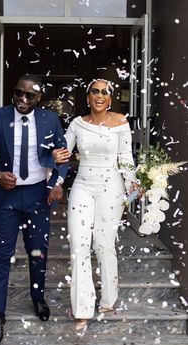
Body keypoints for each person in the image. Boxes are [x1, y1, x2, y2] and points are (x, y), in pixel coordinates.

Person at [0, 74, 68, 345]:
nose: (22, 100)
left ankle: (38, 298)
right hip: (6, 199)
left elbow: (62, 155)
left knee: (38, 253)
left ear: (40, 98)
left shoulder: (50, 119)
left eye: (29, 96)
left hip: (38, 197)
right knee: (1, 256)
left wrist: (56, 181)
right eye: (18, 93)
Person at [52, 78, 140, 331]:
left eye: (105, 92)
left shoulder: (121, 122)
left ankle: (108, 299)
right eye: (95, 91)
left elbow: (125, 157)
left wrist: (132, 182)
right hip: (82, 185)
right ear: (88, 97)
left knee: (103, 243)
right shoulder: (77, 124)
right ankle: (82, 309)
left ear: (110, 98)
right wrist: (54, 161)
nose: (99, 95)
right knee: (79, 244)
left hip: (111, 186)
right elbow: (63, 154)